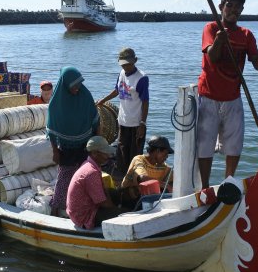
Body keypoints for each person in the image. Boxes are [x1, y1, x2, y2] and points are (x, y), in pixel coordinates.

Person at [197, 0, 258, 187]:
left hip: (233, 97)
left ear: (242, 11)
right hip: (208, 95)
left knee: (234, 145)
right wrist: (220, 40)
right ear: (221, 7)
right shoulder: (211, 28)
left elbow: (254, 59)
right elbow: (212, 57)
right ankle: (204, 187)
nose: (233, 10)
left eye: (238, 7)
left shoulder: (246, 34)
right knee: (204, 145)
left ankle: (228, 182)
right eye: (230, 5)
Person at [46, 66, 99, 216]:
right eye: (74, 86)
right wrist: (55, 151)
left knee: (84, 175)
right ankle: (57, 206)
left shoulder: (85, 95)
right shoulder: (56, 104)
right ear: (65, 84)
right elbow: (51, 131)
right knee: (65, 175)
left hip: (85, 144)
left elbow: (96, 119)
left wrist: (97, 142)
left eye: (79, 85)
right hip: (66, 146)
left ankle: (81, 205)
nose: (77, 88)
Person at [96, 47, 149, 175]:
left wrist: (142, 123)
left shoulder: (141, 78)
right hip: (123, 121)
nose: (126, 67)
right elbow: (117, 90)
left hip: (136, 123)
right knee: (121, 151)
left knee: (135, 155)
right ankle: (121, 177)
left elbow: (146, 102)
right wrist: (103, 100)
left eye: (128, 64)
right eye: (123, 64)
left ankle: (134, 180)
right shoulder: (121, 73)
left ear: (135, 61)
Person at [66, 136, 122, 229]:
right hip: (83, 216)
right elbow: (103, 203)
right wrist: (117, 210)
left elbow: (103, 192)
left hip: (83, 208)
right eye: (105, 153)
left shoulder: (89, 164)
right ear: (95, 153)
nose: (108, 156)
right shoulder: (91, 172)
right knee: (123, 214)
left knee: (116, 193)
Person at [119, 135, 174, 208]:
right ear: (157, 151)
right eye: (165, 154)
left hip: (146, 197)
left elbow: (174, 179)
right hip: (129, 197)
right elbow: (142, 178)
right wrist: (164, 184)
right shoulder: (139, 159)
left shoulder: (163, 167)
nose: (166, 157)